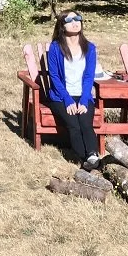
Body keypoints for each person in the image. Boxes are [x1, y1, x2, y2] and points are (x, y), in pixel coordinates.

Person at [46, 10, 102, 169]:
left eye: (77, 18)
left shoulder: (89, 48)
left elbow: (89, 76)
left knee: (85, 123)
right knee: (74, 125)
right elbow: (54, 76)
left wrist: (84, 99)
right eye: (69, 20)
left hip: (83, 95)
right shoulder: (55, 48)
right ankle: (83, 159)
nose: (75, 22)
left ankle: (93, 155)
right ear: (62, 26)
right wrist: (68, 100)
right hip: (61, 96)